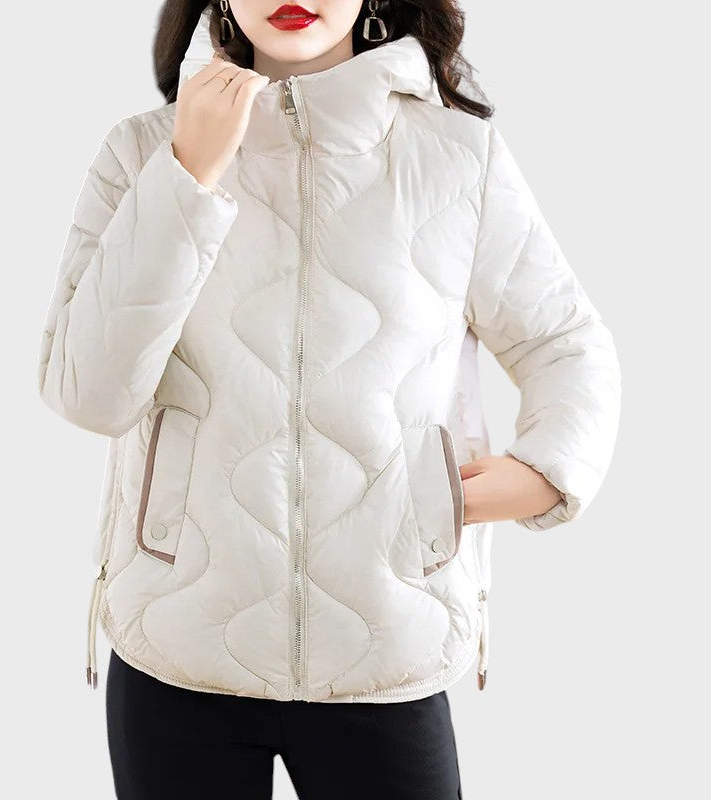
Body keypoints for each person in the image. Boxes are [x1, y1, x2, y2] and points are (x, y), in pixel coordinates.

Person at [36, 1, 622, 797]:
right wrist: (185, 177)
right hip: (177, 646)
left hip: (388, 645)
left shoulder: (457, 159)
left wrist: (547, 471)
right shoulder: (142, 152)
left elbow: (567, 344)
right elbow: (89, 394)